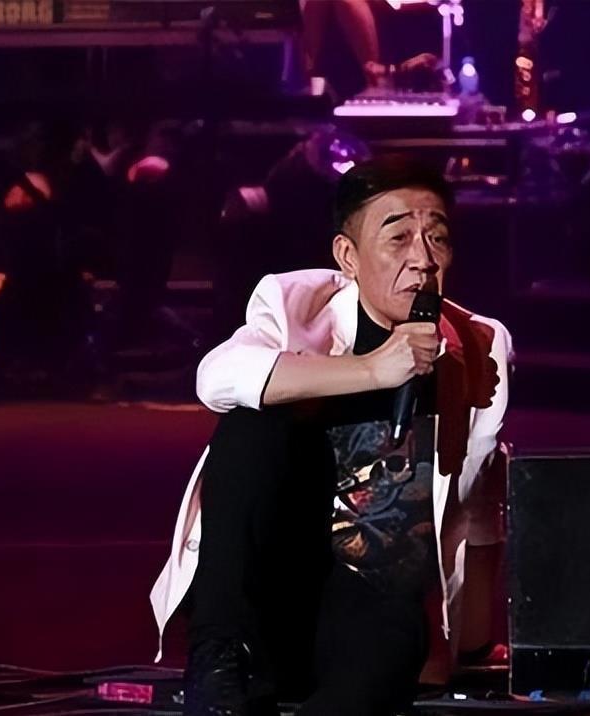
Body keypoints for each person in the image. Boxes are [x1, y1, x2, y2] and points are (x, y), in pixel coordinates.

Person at [150, 156, 513, 715]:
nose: (422, 259)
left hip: (370, 605)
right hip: (274, 588)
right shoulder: (296, 305)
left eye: (437, 238)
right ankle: (220, 661)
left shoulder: (480, 345)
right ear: (348, 256)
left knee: (396, 632)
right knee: (253, 419)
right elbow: (215, 379)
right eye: (398, 238)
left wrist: (474, 644)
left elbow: (479, 502)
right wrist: (372, 370)